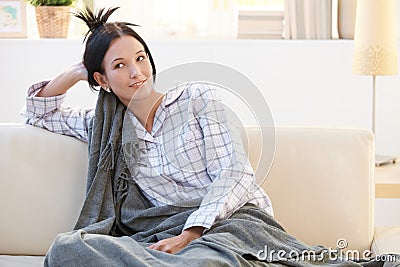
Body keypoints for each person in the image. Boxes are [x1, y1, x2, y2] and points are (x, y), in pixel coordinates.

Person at [24, 7, 398, 267]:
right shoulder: (105, 126)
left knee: (203, 260)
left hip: (231, 223)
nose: (137, 71)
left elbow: (236, 173)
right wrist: (79, 70)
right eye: (119, 65)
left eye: (140, 57)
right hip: (161, 233)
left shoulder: (199, 99)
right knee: (65, 250)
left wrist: (190, 234)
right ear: (102, 81)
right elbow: (39, 112)